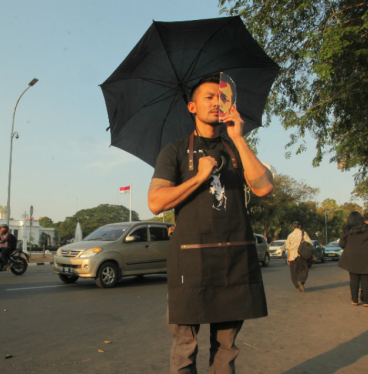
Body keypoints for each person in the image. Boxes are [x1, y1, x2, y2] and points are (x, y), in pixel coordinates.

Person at [147, 75, 273, 373]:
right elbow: (156, 202)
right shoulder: (175, 151)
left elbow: (264, 187)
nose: (218, 103)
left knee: (227, 349)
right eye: (209, 97)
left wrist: (239, 138)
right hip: (191, 259)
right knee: (185, 346)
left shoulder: (235, 148)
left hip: (235, 257)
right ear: (192, 106)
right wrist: (199, 177)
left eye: (222, 98)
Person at [338, 212, 368, 307]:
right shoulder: (367, 228)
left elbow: (341, 244)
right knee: (366, 279)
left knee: (354, 279)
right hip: (366, 256)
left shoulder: (347, 230)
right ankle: (366, 301)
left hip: (352, 257)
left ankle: (355, 300)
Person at [284, 221, 313, 292]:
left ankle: (297, 287)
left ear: (293, 227)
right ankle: (300, 281)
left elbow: (288, 248)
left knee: (294, 272)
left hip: (292, 257)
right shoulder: (304, 234)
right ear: (299, 226)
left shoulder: (290, 235)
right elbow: (310, 244)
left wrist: (288, 258)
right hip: (302, 255)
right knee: (305, 270)